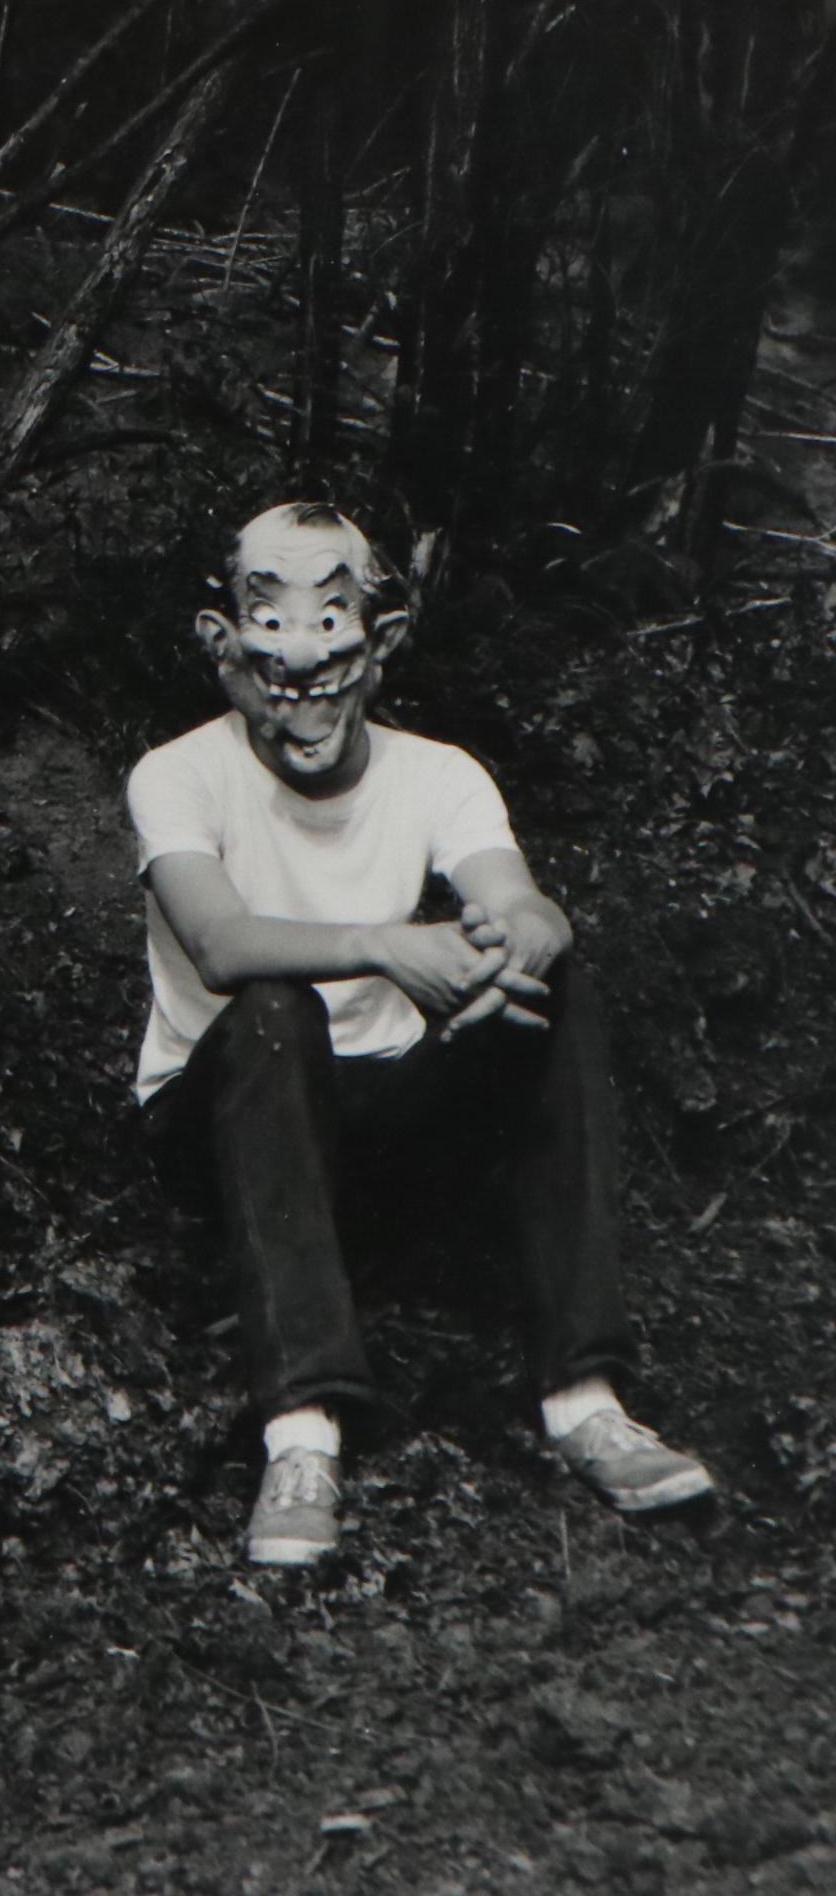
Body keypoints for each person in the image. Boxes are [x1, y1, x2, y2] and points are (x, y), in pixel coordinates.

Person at [129, 501, 713, 1567]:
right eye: (269, 671)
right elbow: (218, 942)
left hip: (380, 1112)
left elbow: (528, 905)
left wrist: (511, 948)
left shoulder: (439, 774)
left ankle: (583, 1395)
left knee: (558, 992)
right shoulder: (178, 773)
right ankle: (300, 1432)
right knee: (271, 1006)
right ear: (221, 650)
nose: (298, 701)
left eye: (329, 666)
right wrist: (391, 945)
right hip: (221, 1118)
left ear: (382, 645)